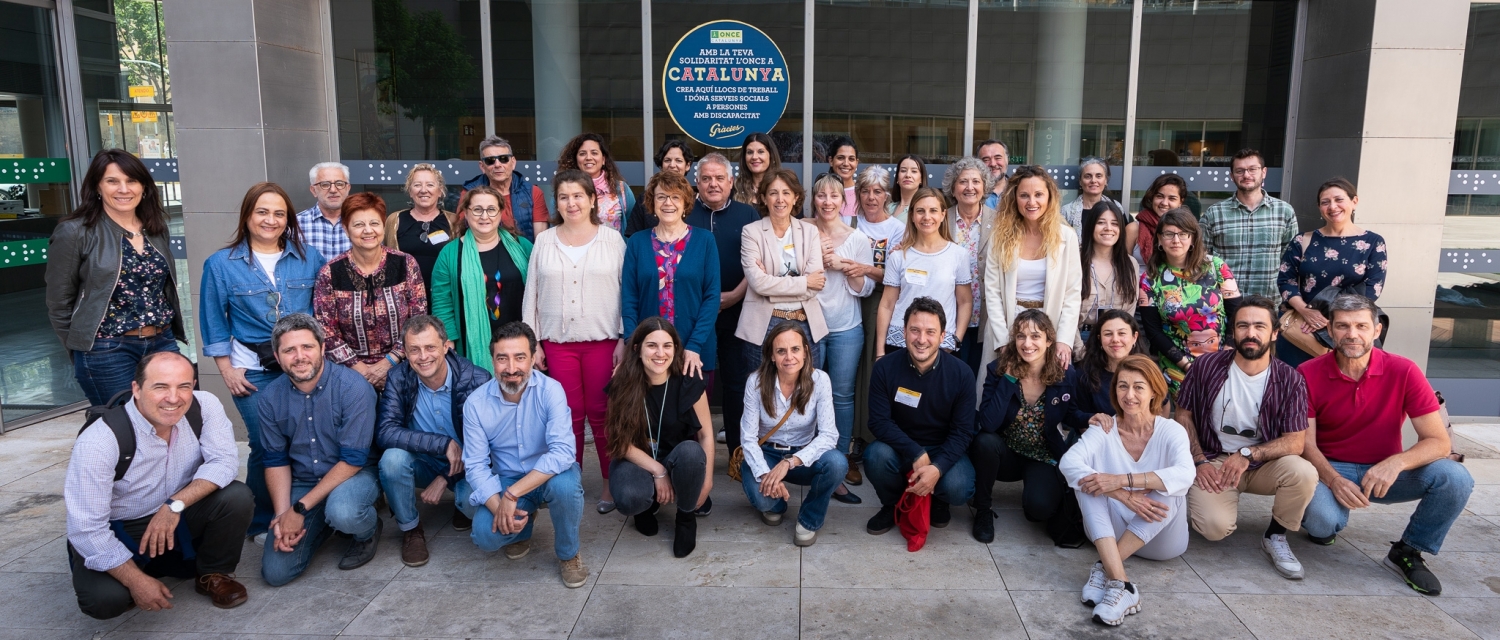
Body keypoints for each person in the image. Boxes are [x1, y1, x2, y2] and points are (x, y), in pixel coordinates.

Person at [1300, 294, 1473, 596]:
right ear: (1329, 330)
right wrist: (1334, 480)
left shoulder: (1404, 370)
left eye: (1361, 326)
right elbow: (1306, 444)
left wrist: (1396, 462)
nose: (1352, 334)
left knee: (1456, 478)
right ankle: (1325, 522)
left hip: (1386, 472)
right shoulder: (1308, 373)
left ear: (1376, 330)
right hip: (1330, 469)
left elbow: (1439, 442)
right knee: (1322, 523)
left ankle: (1409, 550)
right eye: (1342, 326)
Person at [65, 351, 252, 619]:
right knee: (105, 601)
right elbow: (86, 529)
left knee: (236, 496)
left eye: (184, 386)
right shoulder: (99, 442)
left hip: (176, 512)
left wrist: (174, 506)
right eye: (160, 387)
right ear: (137, 389)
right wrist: (135, 581)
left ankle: (212, 572)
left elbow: (223, 462)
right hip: (122, 526)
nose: (174, 398)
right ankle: (138, 571)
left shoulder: (204, 406)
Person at [200, 182, 324, 541]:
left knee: (302, 437)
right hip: (252, 371)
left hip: (301, 367)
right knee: (266, 444)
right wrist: (226, 370)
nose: (271, 220)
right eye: (262, 212)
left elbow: (320, 311)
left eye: (279, 213)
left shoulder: (309, 257)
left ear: (288, 220)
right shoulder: (221, 264)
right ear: (248, 216)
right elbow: (213, 321)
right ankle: (259, 521)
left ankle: (300, 507)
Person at [1176, 296, 1317, 580]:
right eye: (1243, 326)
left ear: (1274, 333)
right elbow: (1183, 416)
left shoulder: (1290, 379)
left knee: (1303, 472)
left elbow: (1295, 442)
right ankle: (1210, 498)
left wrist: (1248, 454)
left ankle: (1276, 536)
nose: (1250, 333)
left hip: (1262, 462)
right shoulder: (1206, 367)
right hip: (1214, 460)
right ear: (1233, 331)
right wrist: (1199, 461)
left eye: (1259, 326)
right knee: (1213, 529)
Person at [1058, 355, 1195, 626]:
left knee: (1170, 486)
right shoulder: (1105, 427)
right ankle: (1123, 586)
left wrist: (1122, 480)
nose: (1129, 395)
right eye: (1122, 386)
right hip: (1112, 530)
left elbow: (1186, 474)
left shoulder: (1171, 430)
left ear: (1154, 391)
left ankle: (1105, 566)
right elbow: (1069, 463)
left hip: (1162, 539)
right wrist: (1120, 493)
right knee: (1088, 482)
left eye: (1138, 387)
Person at [522, 169, 628, 514]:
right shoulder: (544, 241)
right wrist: (532, 341)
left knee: (602, 415)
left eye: (578, 195)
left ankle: (611, 485)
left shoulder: (612, 241)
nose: (571, 203)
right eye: (564, 196)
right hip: (557, 344)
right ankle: (572, 482)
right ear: (557, 202)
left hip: (602, 342)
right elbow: (532, 294)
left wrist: (625, 337)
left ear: (592, 199)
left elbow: (628, 293)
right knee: (566, 418)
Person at [46, 149, 186, 407]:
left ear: (143, 186)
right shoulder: (75, 231)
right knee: (120, 426)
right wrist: (81, 349)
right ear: (97, 186)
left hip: (162, 341)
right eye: (112, 181)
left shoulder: (155, 228)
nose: (123, 189)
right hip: (107, 349)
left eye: (131, 181)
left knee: (172, 417)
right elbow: (59, 302)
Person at [462, 321, 589, 588]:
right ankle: (522, 527)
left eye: (520, 357)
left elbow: (564, 452)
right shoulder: (475, 403)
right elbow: (475, 465)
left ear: (533, 358)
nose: (511, 368)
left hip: (549, 477)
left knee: (566, 485)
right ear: (492, 360)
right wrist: (502, 510)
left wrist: (511, 495)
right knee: (485, 536)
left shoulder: (551, 390)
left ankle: (568, 553)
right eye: (502, 359)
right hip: (507, 476)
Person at [258, 314, 382, 585]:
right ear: (278, 357)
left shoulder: (353, 388)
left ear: (323, 348)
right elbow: (275, 460)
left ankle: (366, 531)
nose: (299, 356)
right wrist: (283, 515)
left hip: (353, 476)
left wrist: (299, 510)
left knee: (344, 512)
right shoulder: (269, 398)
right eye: (289, 350)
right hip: (303, 482)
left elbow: (353, 460)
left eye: (307, 347)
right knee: (276, 574)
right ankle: (322, 525)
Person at [375, 315, 492, 567]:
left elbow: (489, 448)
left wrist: (445, 478)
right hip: (425, 460)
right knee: (392, 460)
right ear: (405, 352)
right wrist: (443, 444)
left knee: (475, 508)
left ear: (446, 346)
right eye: (414, 350)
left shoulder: (477, 379)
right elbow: (385, 431)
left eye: (430, 347)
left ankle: (460, 505)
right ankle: (411, 530)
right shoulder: (398, 377)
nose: (423, 356)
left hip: (470, 465)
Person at [971, 310, 1089, 544]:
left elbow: (1071, 414)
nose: (1027, 343)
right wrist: (1009, 379)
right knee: (984, 441)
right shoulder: (998, 369)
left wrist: (1091, 418)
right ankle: (983, 509)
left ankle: (1034, 493)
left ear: (1048, 341)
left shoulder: (1065, 373)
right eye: (1021, 336)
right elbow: (988, 422)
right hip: (1005, 454)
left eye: (1035, 336)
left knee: (1039, 510)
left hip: (1041, 455)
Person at [864, 298, 978, 537]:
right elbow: (878, 421)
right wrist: (915, 451)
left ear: (942, 335)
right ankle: (892, 503)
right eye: (914, 330)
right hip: (900, 447)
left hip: (942, 447)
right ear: (904, 331)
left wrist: (937, 468)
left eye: (930, 332)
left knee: (960, 487)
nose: (921, 339)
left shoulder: (962, 374)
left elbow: (963, 432)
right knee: (875, 456)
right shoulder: (885, 368)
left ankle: (938, 500)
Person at [605, 319, 713, 557]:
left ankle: (685, 519)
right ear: (637, 349)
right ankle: (644, 508)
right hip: (637, 459)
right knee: (630, 497)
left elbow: (706, 435)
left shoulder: (689, 380)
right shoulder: (621, 382)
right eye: (652, 345)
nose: (660, 353)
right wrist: (658, 471)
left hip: (679, 458)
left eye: (667, 346)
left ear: (676, 349)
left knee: (692, 452)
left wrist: (706, 482)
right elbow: (620, 442)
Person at [740, 323, 849, 546]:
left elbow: (829, 435)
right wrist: (766, 474)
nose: (789, 357)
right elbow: (748, 439)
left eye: (795, 349)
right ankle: (777, 502)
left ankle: (809, 518)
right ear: (771, 356)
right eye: (781, 351)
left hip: (802, 457)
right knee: (763, 502)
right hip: (767, 454)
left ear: (806, 351)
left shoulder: (820, 380)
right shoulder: (756, 382)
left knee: (837, 463)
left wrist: (789, 463)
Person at [683, 153, 760, 455]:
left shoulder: (748, 215)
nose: (713, 184)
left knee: (736, 385)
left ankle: (737, 455)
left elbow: (758, 264)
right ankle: (691, 453)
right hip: (694, 315)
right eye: (706, 178)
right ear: (697, 182)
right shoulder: (685, 213)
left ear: (731, 182)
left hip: (738, 312)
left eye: (719, 178)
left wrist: (737, 294)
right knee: (690, 383)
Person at [313, 192, 428, 392]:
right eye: (358, 225)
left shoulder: (405, 263)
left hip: (403, 366)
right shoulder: (330, 272)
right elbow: (326, 331)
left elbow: (418, 319)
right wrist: (361, 370)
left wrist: (388, 364)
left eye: (374, 223)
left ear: (383, 226)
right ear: (345, 229)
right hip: (348, 373)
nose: (368, 231)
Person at [981, 165, 1082, 383]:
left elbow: (1072, 295)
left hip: (1049, 327)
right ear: (1014, 198)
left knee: (1044, 395)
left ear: (1050, 197)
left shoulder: (1067, 236)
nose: (1032, 202)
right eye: (1024, 195)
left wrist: (1063, 340)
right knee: (1003, 394)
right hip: (1007, 324)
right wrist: (1003, 340)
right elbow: (992, 291)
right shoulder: (1000, 236)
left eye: (1038, 195)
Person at [1276, 178, 1387, 367]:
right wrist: (1307, 312)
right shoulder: (1302, 240)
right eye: (1325, 202)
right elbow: (1286, 280)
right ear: (1319, 207)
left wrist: (1329, 318)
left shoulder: (1373, 242)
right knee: (1295, 383)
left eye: (1339, 199)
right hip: (1302, 328)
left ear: (1354, 202)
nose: (1332, 206)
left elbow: (1371, 289)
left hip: (1346, 329)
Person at [622, 171, 721, 383]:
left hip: (694, 350)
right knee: (652, 414)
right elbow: (629, 299)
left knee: (695, 414)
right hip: (649, 353)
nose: (668, 203)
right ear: (652, 202)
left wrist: (694, 345)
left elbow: (712, 297)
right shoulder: (637, 243)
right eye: (661, 197)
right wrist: (633, 344)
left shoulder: (705, 241)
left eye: (675, 197)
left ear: (685, 203)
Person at [809, 174, 872, 503]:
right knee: (809, 393)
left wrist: (849, 269)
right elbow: (791, 273)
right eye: (822, 196)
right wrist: (818, 259)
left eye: (834, 196)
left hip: (847, 327)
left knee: (843, 396)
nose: (828, 202)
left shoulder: (857, 239)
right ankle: (811, 456)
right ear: (814, 200)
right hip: (811, 326)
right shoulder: (803, 232)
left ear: (843, 201)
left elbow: (867, 288)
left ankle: (842, 457)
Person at [430, 185, 534, 373]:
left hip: (520, 339)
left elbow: (538, 293)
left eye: (491, 209)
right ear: (466, 214)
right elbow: (442, 302)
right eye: (477, 210)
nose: (484, 216)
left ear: (501, 213)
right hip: (471, 344)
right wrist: (449, 340)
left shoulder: (523, 247)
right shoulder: (450, 253)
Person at [1140, 208, 1241, 398]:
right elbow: (1153, 331)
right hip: (1177, 366)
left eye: (1183, 234)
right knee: (1187, 422)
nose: (1176, 240)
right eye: (1169, 234)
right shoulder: (1150, 279)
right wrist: (1187, 366)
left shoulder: (1216, 267)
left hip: (1223, 361)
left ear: (1193, 238)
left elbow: (1238, 314)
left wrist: (1226, 356)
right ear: (1160, 239)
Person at [738, 168, 828, 369]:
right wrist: (804, 282)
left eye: (786, 193)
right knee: (762, 390)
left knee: (805, 391)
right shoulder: (751, 232)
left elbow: (817, 284)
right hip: (763, 323)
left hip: (805, 322)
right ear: (764, 197)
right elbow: (758, 284)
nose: (780, 199)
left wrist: (772, 284)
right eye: (773, 193)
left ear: (796, 197)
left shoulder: (810, 232)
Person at [850, 165, 906, 485]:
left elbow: (894, 275)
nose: (871, 197)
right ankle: (852, 435)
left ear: (887, 194)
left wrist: (865, 268)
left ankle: (871, 435)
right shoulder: (850, 224)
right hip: (849, 302)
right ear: (858, 193)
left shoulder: (897, 229)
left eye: (878, 191)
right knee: (851, 371)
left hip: (881, 303)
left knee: (874, 367)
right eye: (865, 191)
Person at [875, 187, 972, 358]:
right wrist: (880, 351)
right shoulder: (898, 256)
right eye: (920, 211)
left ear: (943, 215)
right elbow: (886, 305)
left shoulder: (958, 255)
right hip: (900, 343)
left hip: (942, 344)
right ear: (912, 216)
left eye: (933, 210)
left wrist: (956, 339)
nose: (927, 217)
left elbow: (965, 302)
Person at [1200, 150, 1298, 298]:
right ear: (1232, 176)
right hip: (1224, 301)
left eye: (1253, 169)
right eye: (1240, 171)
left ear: (1264, 172)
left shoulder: (1284, 211)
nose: (1246, 175)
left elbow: (1290, 260)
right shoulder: (1214, 213)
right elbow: (1201, 258)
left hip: (1269, 301)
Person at [943, 157, 998, 374]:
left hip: (985, 314)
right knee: (950, 375)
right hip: (949, 313)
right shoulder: (940, 219)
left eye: (976, 181)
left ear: (984, 187)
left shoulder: (1000, 221)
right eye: (963, 182)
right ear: (953, 188)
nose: (970, 187)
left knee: (979, 376)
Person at [1077, 200, 1142, 352]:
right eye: (1101, 222)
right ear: (1091, 226)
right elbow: (1065, 311)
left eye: (1114, 223)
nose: (1108, 228)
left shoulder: (1130, 264)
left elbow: (1130, 312)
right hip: (1081, 337)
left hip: (1116, 341)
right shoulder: (1075, 260)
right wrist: (1080, 352)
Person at [461, 135, 550, 242]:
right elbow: (462, 233)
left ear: (513, 162)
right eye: (490, 161)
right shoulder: (469, 193)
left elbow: (541, 240)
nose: (497, 165)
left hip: (525, 255)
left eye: (504, 159)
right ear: (482, 166)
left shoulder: (533, 192)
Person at [384, 163, 457, 286]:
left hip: (442, 295)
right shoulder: (394, 220)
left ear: (440, 191)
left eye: (430, 185)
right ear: (410, 191)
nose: (423, 190)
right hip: (405, 296)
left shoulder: (454, 221)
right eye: (417, 185)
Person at [1074, 310, 1145, 418]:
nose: (1115, 339)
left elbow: (1161, 408)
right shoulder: (1084, 374)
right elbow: (1079, 418)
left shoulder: (1148, 371)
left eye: (1122, 333)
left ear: (1134, 337)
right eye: (1108, 334)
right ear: (1099, 339)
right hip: (1097, 433)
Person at [558, 133, 634, 233]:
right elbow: (556, 223)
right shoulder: (563, 189)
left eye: (594, 153)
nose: (588, 157)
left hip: (613, 247)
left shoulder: (621, 189)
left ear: (603, 160)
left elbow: (632, 225)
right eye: (582, 153)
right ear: (576, 160)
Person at [1061, 157, 1136, 251]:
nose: (1093, 180)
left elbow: (1123, 240)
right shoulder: (1066, 212)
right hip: (1076, 264)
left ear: (1105, 181)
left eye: (1099, 176)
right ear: (1080, 181)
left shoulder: (1116, 207)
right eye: (1088, 176)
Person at [624, 140, 695, 236]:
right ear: (661, 165)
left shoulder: (696, 200)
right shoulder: (645, 199)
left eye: (678, 160)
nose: (672, 165)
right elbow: (634, 236)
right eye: (667, 160)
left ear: (687, 166)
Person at [297, 162, 353, 263]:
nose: (333, 190)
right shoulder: (296, 225)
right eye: (325, 184)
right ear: (313, 190)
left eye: (339, 184)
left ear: (348, 188)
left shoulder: (363, 224)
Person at [1133, 173, 1188, 264]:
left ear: (1180, 202)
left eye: (1172, 198)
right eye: (1159, 196)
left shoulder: (1187, 229)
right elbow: (1122, 266)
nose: (1164, 203)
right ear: (1152, 197)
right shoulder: (1134, 228)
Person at [733, 133, 781, 207]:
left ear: (771, 156)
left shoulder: (784, 186)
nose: (754, 157)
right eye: (750, 152)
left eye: (760, 152)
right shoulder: (735, 189)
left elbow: (796, 217)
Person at [827, 136, 860, 222]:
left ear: (857, 163)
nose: (846, 163)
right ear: (831, 161)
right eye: (840, 158)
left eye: (851, 159)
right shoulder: (822, 191)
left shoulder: (862, 192)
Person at [889, 154, 927, 222]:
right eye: (903, 171)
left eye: (914, 171)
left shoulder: (924, 209)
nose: (908, 175)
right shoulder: (887, 208)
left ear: (921, 179)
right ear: (897, 177)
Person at [977, 139, 1010, 210]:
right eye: (986, 160)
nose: (993, 164)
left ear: (1007, 160)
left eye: (998, 158)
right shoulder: (973, 193)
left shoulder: (1017, 189)